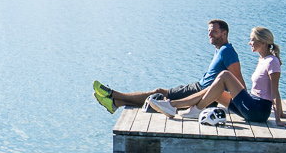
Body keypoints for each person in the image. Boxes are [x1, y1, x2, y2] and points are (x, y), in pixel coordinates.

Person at [93, 19, 242, 117]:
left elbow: (238, 82)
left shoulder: (227, 51)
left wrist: (241, 104)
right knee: (158, 97)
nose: (210, 34)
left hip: (201, 92)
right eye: (209, 31)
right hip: (198, 87)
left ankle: (114, 95)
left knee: (159, 95)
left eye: (214, 31)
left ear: (224, 33)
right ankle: (115, 102)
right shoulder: (220, 50)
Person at [183, 27, 285, 125]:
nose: (249, 43)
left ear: (263, 42)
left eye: (252, 40)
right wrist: (281, 113)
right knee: (214, 90)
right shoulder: (262, 59)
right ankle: (175, 105)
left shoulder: (272, 61)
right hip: (252, 105)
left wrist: (278, 119)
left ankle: (197, 109)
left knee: (225, 74)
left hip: (258, 111)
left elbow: (275, 91)